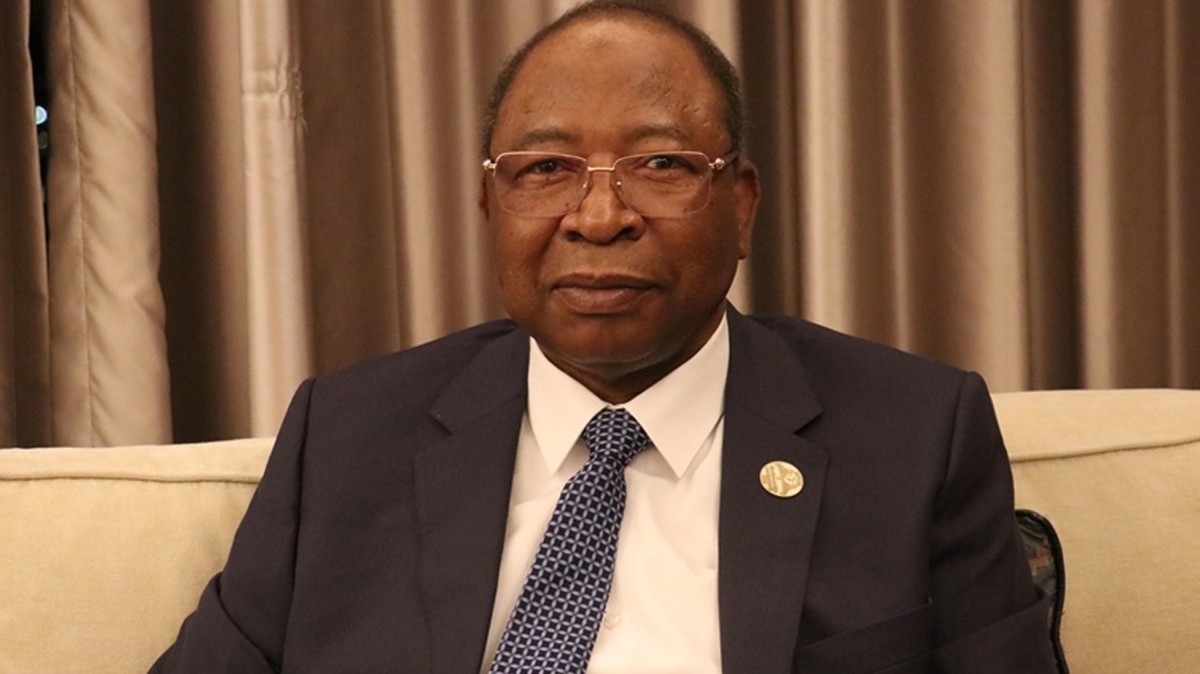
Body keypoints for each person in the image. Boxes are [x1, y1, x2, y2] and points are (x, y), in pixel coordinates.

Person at [151, 2, 1057, 672]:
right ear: (490, 207)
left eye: (660, 164)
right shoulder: (347, 435)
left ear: (741, 206)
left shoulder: (914, 435)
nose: (597, 216)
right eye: (546, 169)